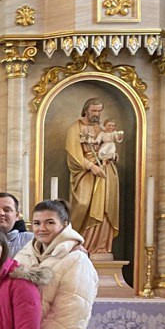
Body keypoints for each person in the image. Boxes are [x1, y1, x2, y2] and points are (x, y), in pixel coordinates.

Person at [14, 200, 98, 329]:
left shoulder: (76, 258)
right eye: (37, 223)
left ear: (64, 224)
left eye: (50, 222)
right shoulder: (25, 253)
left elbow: (72, 309)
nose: (41, 228)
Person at [66, 98, 120, 253]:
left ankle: (101, 247)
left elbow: (110, 146)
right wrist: (91, 166)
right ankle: (79, 245)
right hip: (85, 173)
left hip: (106, 171)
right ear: (85, 110)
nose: (97, 114)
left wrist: (114, 156)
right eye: (93, 110)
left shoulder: (102, 129)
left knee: (104, 209)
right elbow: (74, 154)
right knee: (83, 204)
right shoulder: (74, 128)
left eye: (99, 111)